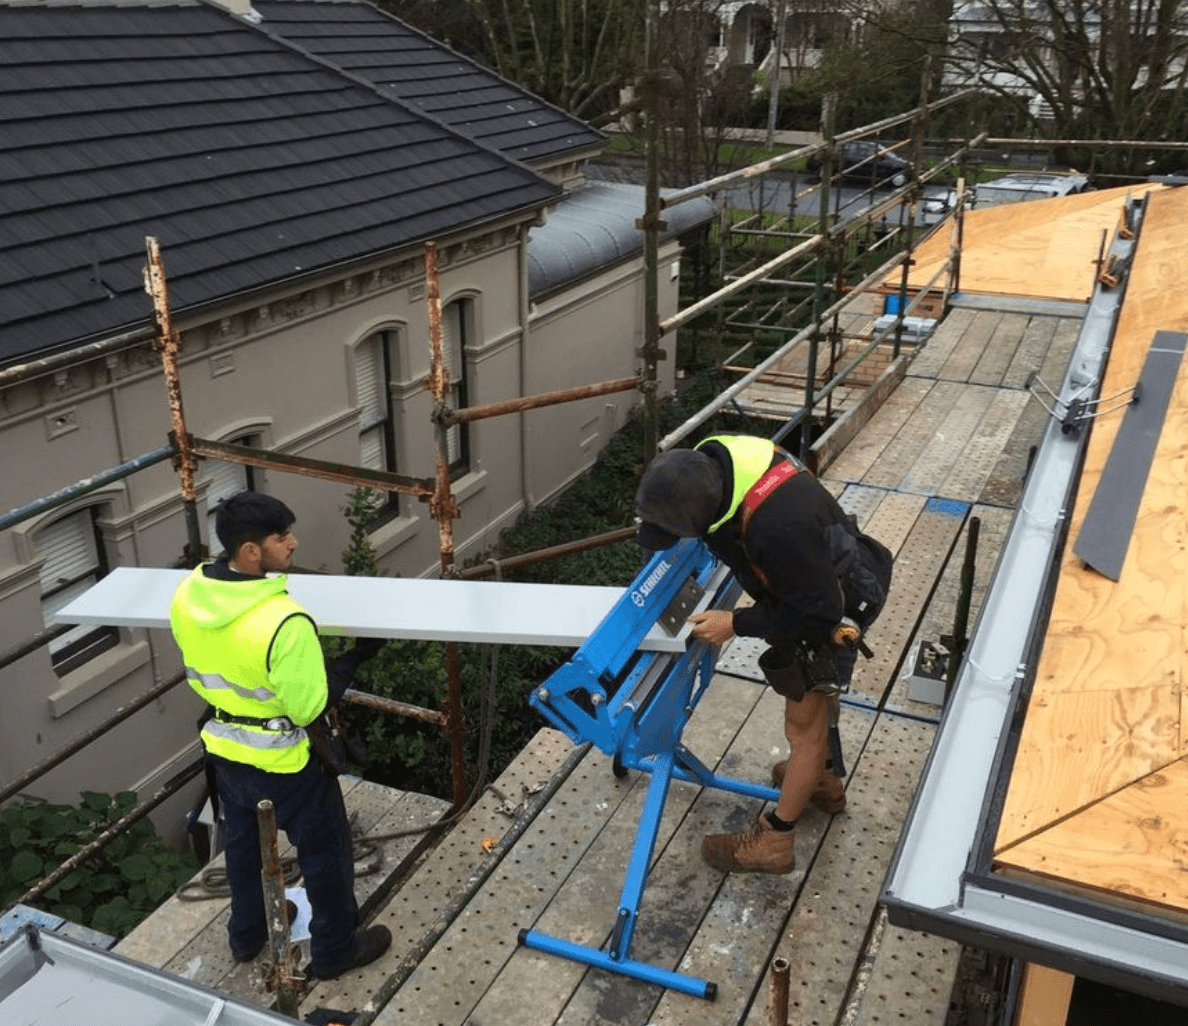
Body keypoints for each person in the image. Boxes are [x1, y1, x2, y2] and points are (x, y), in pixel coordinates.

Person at [634, 434, 892, 874]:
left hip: (837, 604)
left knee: (802, 728)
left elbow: (816, 612)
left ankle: (776, 838)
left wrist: (736, 623)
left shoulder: (776, 527)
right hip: (830, 568)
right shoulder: (724, 459)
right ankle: (823, 781)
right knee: (815, 712)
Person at [169, 491, 391, 977]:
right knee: (326, 856)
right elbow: (310, 705)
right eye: (280, 536)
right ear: (251, 551)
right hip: (286, 762)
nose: (293, 543)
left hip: (226, 750)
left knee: (245, 847)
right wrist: (355, 657)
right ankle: (335, 952)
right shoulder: (283, 622)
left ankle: (247, 934)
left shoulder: (191, 593)